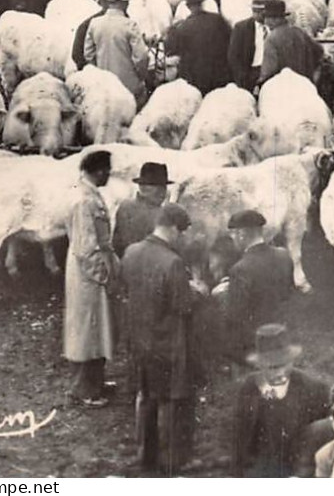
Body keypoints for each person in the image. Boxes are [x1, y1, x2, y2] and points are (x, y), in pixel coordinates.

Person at [122, 203, 206, 476]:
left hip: (139, 341)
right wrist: (197, 290)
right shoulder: (173, 262)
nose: (182, 238)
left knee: (145, 397)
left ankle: (145, 455)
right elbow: (182, 306)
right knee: (174, 401)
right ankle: (174, 460)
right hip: (169, 343)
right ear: (172, 228)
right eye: (181, 232)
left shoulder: (131, 252)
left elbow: (128, 288)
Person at [232, 325, 331, 478]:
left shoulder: (314, 389)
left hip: (302, 468)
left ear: (291, 361)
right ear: (259, 365)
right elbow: (239, 437)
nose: (279, 373)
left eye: (283, 365)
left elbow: (324, 438)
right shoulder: (249, 388)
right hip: (261, 469)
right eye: (271, 367)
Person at [65, 149, 118, 408]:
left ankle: (95, 381)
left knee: (97, 329)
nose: (109, 175)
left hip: (91, 270)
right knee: (87, 331)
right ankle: (84, 389)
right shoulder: (84, 200)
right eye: (107, 170)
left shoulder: (87, 194)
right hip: (88, 273)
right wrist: (104, 275)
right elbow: (86, 247)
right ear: (99, 171)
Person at [218, 210, 295, 363]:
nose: (232, 239)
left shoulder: (240, 269)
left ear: (241, 234)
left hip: (254, 344)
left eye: (233, 234)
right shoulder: (283, 255)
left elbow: (235, 316)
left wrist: (223, 293)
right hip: (280, 335)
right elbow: (287, 293)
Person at [84, 0, 151, 106]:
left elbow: (88, 55)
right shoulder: (130, 25)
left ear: (110, 1)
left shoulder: (94, 23)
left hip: (102, 86)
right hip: (127, 88)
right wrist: (141, 77)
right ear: (125, 3)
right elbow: (142, 57)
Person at [164, 0, 231, 92]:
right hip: (219, 80)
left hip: (194, 83)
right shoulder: (218, 20)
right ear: (202, 1)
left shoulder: (181, 28)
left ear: (187, 5)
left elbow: (170, 53)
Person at [259, 0, 323, 83]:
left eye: (266, 18)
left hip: (283, 86)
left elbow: (269, 70)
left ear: (273, 19)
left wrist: (259, 83)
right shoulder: (299, 32)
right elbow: (319, 51)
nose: (265, 22)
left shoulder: (271, 39)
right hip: (305, 83)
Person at [113, 163, 171, 257]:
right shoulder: (161, 214)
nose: (162, 192)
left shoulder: (125, 206)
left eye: (164, 187)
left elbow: (116, 245)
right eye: (157, 186)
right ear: (142, 187)